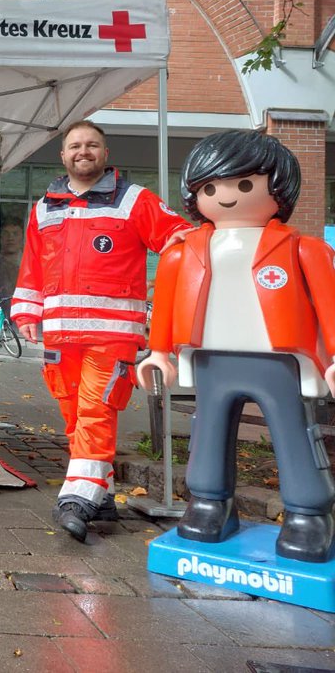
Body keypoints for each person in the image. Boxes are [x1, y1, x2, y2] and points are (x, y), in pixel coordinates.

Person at [137, 130, 335, 563]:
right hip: (210, 357)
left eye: (244, 184)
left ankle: (308, 512)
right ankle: (209, 503)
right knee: (208, 429)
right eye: (210, 187)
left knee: (293, 432)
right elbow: (166, 303)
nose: (225, 195)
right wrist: (159, 352)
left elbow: (328, 302)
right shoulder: (181, 252)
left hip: (280, 358)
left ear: (277, 187)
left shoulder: (303, 250)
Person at [12, 120, 189, 540]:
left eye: (92, 145)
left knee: (96, 409)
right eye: (75, 146)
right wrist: (25, 313)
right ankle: (103, 490)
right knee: (73, 412)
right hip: (59, 333)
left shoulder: (135, 201)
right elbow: (33, 265)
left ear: (105, 153)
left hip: (113, 334)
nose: (83, 152)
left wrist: (168, 286)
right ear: (63, 156)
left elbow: (180, 240)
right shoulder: (45, 207)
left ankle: (78, 496)